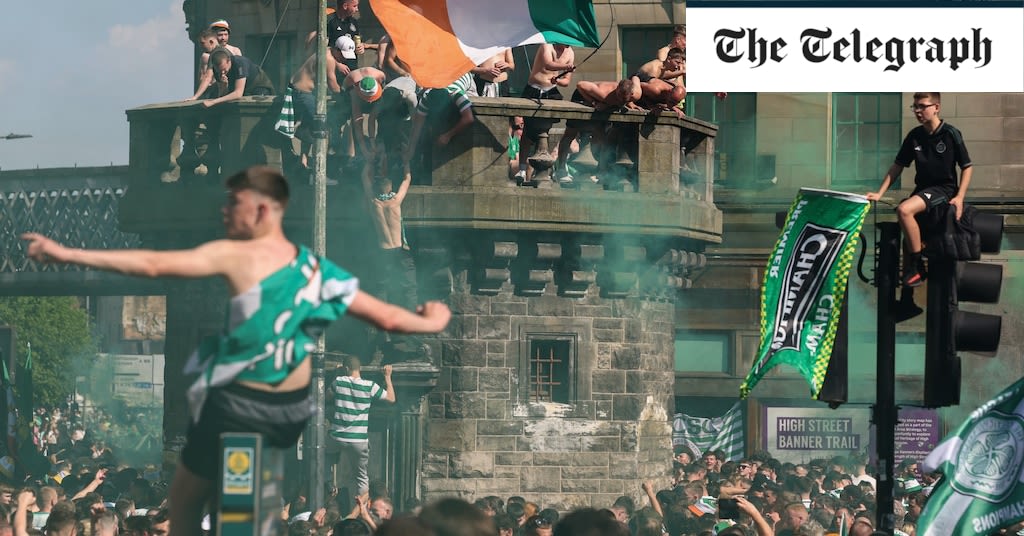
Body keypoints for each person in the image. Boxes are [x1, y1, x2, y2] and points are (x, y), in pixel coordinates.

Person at [21, 165, 452, 536]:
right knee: (226, 501)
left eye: (234, 203)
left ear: (263, 211)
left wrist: (67, 253)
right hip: (281, 412)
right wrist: (430, 321)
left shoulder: (240, 256)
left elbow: (153, 264)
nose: (224, 211)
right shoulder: (317, 271)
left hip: (244, 407)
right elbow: (389, 318)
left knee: (191, 501)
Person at [866, 92, 973, 287]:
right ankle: (909, 292)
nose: (917, 111)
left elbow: (967, 166)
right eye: (915, 107)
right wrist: (880, 193)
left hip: (943, 189)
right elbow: (897, 166)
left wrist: (959, 197)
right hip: (922, 190)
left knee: (904, 210)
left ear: (936, 108)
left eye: (922, 106)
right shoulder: (914, 136)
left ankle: (918, 266)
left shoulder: (950, 134)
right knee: (908, 232)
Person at [329, 356, 395, 502]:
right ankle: (361, 509)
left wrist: (335, 375)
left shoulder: (339, 382)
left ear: (346, 368)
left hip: (336, 437)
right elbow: (391, 398)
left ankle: (328, 487)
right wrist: (387, 377)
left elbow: (326, 396)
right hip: (358, 440)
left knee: (323, 459)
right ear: (360, 369)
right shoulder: (369, 385)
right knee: (361, 477)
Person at [515, 44, 575, 183]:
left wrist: (558, 80)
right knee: (528, 133)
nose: (566, 45)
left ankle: (545, 169)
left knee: (545, 130)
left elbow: (566, 81)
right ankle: (522, 169)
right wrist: (566, 67)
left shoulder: (570, 52)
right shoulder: (546, 46)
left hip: (551, 91)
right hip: (534, 89)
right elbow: (548, 65)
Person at [199, 49, 275, 107]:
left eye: (224, 70)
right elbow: (222, 95)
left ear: (229, 61)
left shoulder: (239, 63)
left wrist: (213, 102)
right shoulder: (217, 70)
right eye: (219, 71)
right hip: (244, 90)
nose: (222, 73)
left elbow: (238, 93)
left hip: (258, 87)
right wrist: (224, 86)